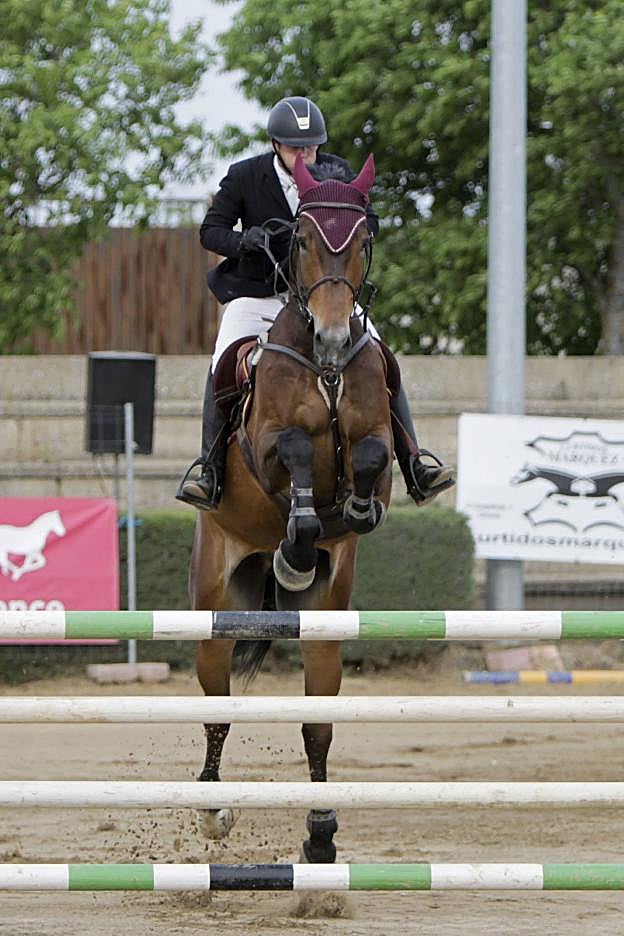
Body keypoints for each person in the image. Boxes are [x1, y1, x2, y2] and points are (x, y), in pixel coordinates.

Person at [176, 96, 454, 510]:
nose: (304, 154)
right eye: (294, 147)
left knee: (381, 358)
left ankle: (414, 461)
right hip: (260, 294)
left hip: (325, 295)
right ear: (275, 145)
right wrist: (244, 241)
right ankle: (210, 468)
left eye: (310, 147)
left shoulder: (337, 174)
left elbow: (368, 221)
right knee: (223, 362)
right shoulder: (245, 176)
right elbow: (211, 231)